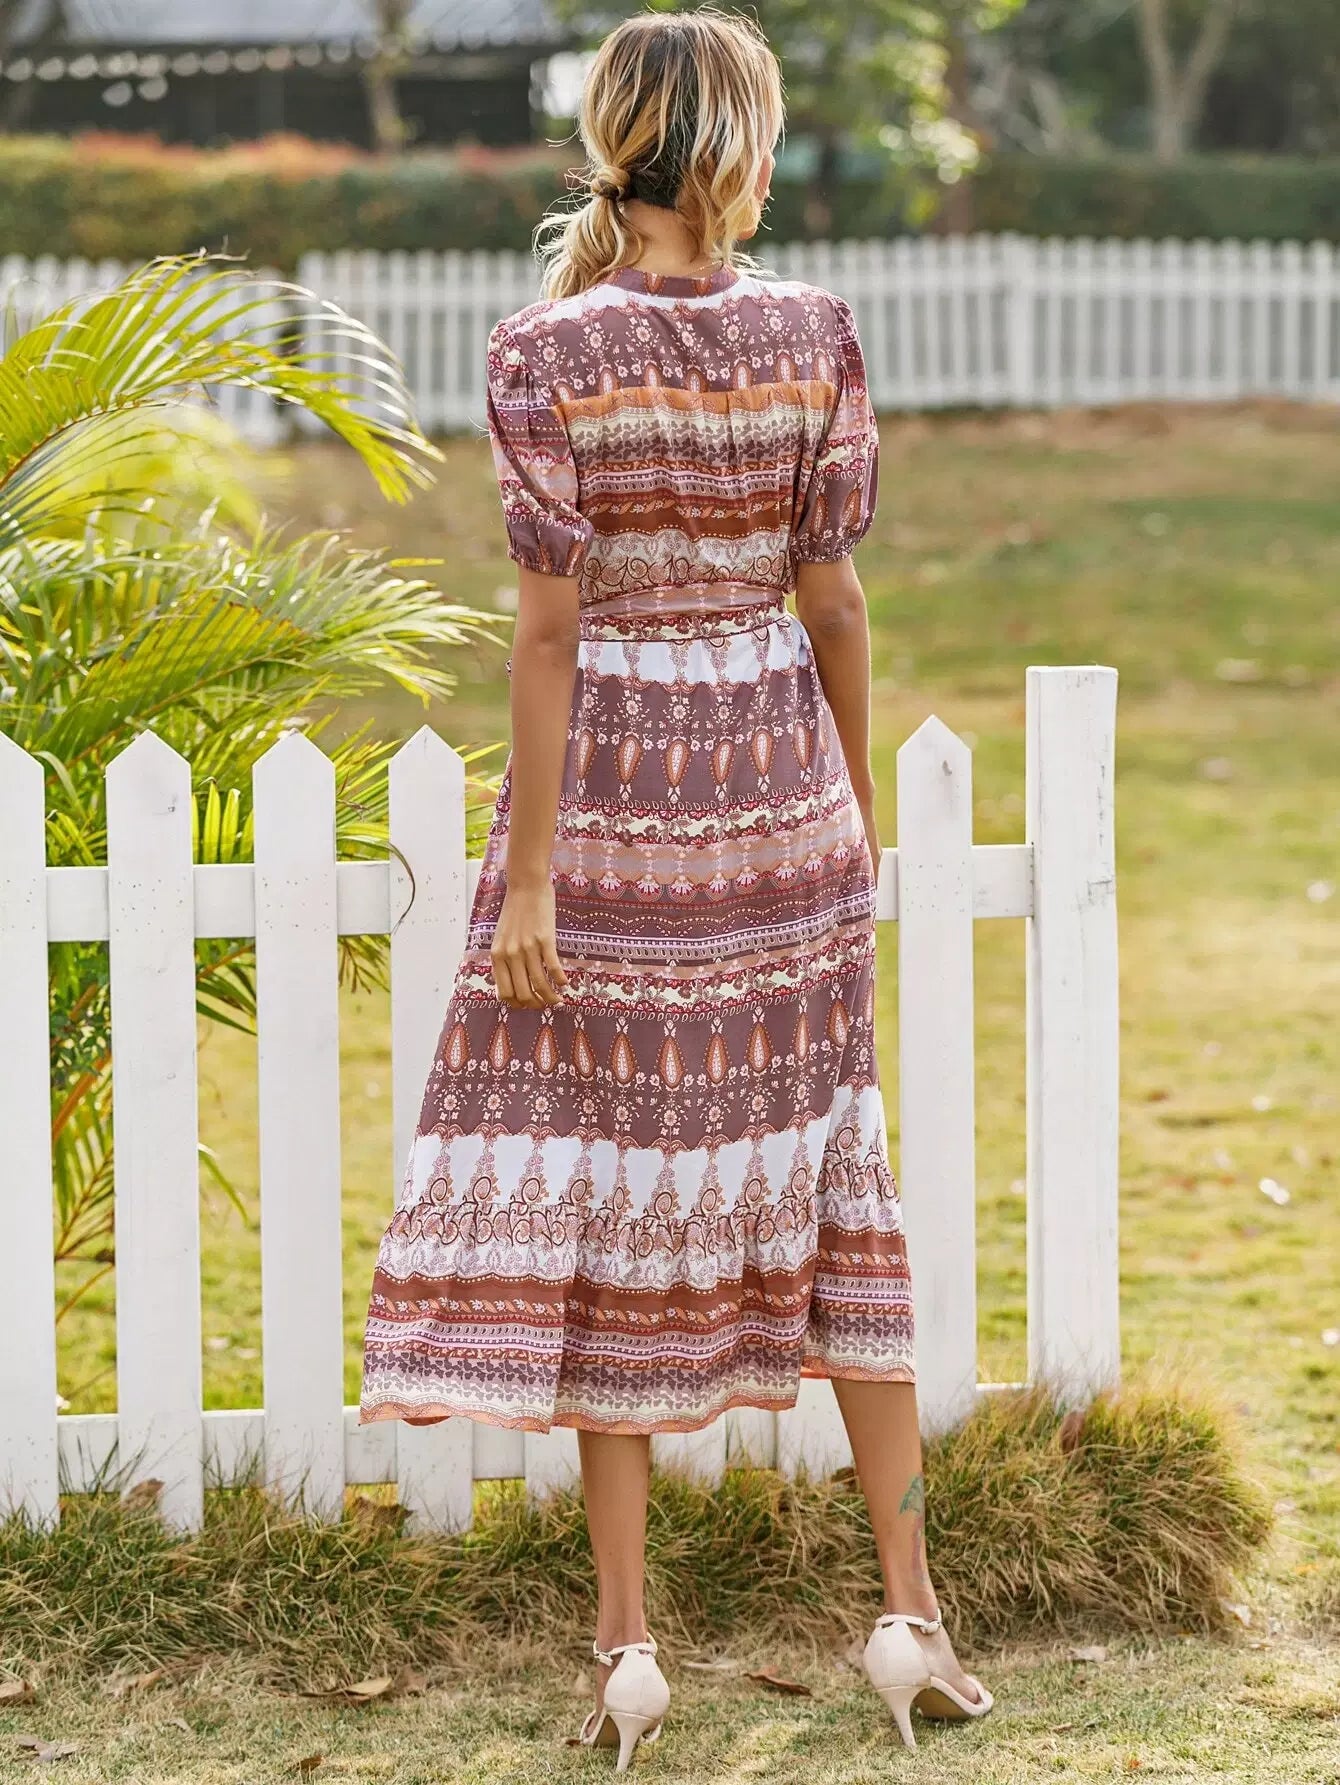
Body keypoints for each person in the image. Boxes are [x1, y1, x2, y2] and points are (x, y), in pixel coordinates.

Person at [359, 7, 992, 1763]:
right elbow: (834, 603)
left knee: (606, 1189)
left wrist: (532, 887)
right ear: (740, 149)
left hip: (618, 819)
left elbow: (548, 637)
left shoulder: (542, 351)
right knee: (836, 1175)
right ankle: (912, 1616)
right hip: (782, 800)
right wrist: (848, 818)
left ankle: (629, 1647)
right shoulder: (815, 333)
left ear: (613, 146)